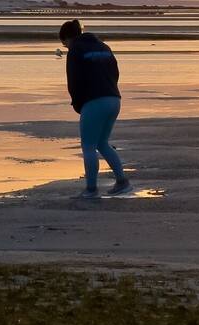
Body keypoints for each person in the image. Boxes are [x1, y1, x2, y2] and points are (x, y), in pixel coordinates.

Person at [59, 20, 130, 198]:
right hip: (114, 99)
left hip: (94, 101)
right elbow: (116, 73)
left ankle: (91, 189)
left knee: (88, 146)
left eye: (64, 43)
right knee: (102, 143)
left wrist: (77, 104)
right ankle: (122, 182)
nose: (65, 47)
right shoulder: (104, 47)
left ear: (68, 38)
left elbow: (73, 80)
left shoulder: (76, 50)